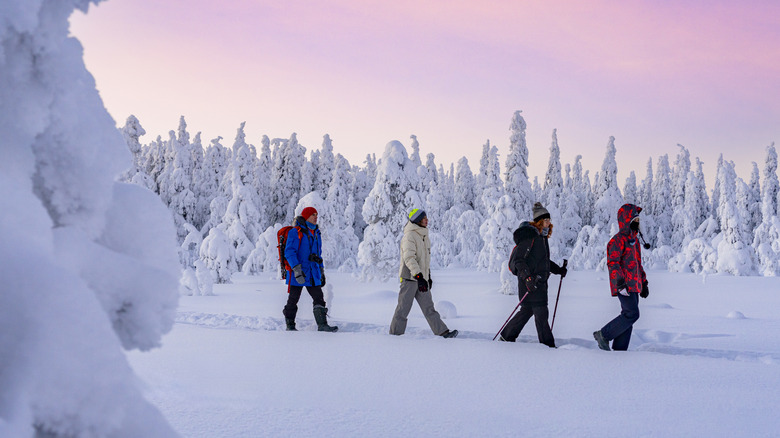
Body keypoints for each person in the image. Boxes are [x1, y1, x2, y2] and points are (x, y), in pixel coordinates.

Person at [500, 202, 567, 348]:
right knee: (541, 314)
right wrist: (528, 278)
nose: (549, 222)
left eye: (549, 220)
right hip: (531, 284)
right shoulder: (530, 237)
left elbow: (543, 261)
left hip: (537, 284)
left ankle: (507, 336)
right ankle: (548, 345)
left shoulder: (541, 239)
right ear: (539, 221)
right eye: (546, 220)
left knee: (527, 311)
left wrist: (559, 270)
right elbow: (518, 260)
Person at [390, 209, 458, 338]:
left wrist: (428, 277)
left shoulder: (423, 235)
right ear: (417, 220)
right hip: (409, 279)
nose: (427, 220)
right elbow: (409, 258)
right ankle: (394, 336)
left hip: (421, 279)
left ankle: (442, 332)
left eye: (426, 218)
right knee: (403, 310)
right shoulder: (409, 236)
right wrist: (419, 276)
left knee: (429, 308)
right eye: (424, 218)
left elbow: (424, 260)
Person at [593, 204, 649, 351]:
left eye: (638, 220)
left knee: (628, 318)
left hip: (634, 285)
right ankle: (603, 335)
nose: (637, 222)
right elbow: (613, 263)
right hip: (623, 285)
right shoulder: (617, 240)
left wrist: (644, 283)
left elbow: (638, 264)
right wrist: (620, 282)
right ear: (626, 220)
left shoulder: (635, 241)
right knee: (632, 314)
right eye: (634, 219)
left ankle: (620, 351)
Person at [283, 206, 338, 332]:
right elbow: (290, 252)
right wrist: (297, 270)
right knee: (293, 299)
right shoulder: (295, 232)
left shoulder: (317, 233)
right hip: (299, 272)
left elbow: (318, 255)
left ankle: (322, 325)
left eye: (316, 215)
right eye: (313, 214)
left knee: (319, 297)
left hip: (313, 273)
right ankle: (290, 326)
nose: (315, 217)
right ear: (306, 216)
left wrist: (321, 271)